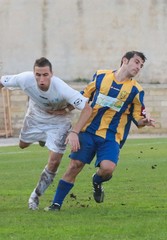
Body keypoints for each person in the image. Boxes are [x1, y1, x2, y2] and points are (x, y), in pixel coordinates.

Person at [44, 51, 155, 211]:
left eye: (141, 65)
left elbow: (138, 119)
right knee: (75, 165)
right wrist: (64, 110)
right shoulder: (101, 76)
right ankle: (56, 204)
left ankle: (97, 181)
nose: (138, 67)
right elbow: (82, 97)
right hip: (88, 131)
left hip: (111, 138)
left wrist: (144, 121)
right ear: (125, 60)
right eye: (136, 62)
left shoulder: (136, 91)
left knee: (107, 169)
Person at [0, 57, 92, 210]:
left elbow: (87, 108)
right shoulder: (24, 79)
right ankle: (42, 139)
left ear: (51, 74)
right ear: (33, 73)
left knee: (54, 161)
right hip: (36, 115)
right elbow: (2, 81)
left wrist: (74, 130)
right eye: (38, 75)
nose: (41, 79)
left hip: (59, 120)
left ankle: (35, 196)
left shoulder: (61, 87)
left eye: (45, 75)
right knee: (22, 145)